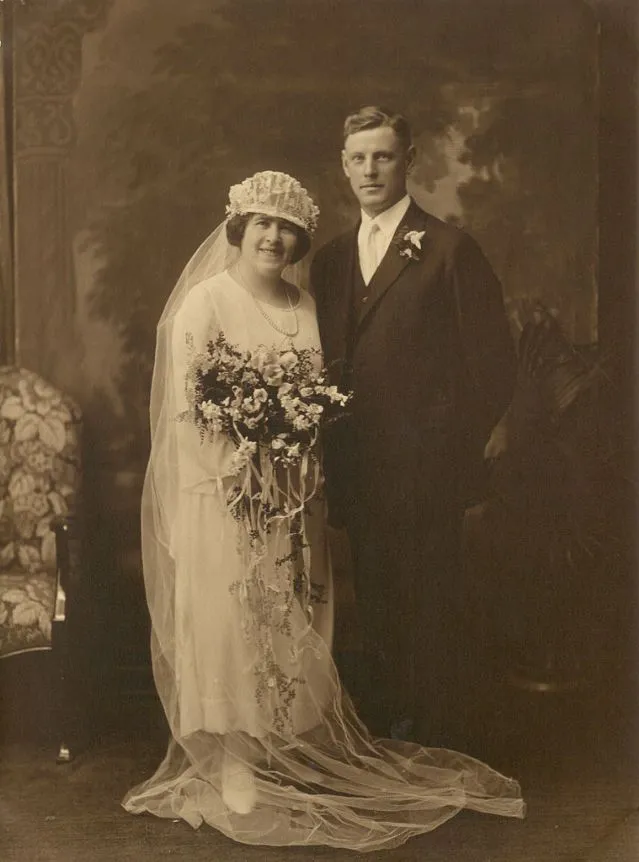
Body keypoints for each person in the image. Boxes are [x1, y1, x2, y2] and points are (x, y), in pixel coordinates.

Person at [122, 170, 523, 850]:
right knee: (230, 619)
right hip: (225, 496)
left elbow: (316, 397)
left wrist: (295, 455)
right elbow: (187, 411)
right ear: (239, 231)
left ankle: (280, 747)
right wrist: (240, 468)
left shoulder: (302, 306)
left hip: (293, 491)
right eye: (263, 225)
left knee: (288, 615)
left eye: (288, 229)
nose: (275, 238)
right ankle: (236, 762)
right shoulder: (204, 304)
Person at [311, 107, 516, 746]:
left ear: (409, 161)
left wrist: (451, 452)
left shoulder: (450, 249)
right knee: (377, 607)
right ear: (344, 167)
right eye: (358, 158)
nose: (370, 169)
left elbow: (493, 365)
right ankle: (389, 738)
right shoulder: (330, 259)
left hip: (427, 475)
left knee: (432, 608)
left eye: (383, 156)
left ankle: (439, 741)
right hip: (358, 469)